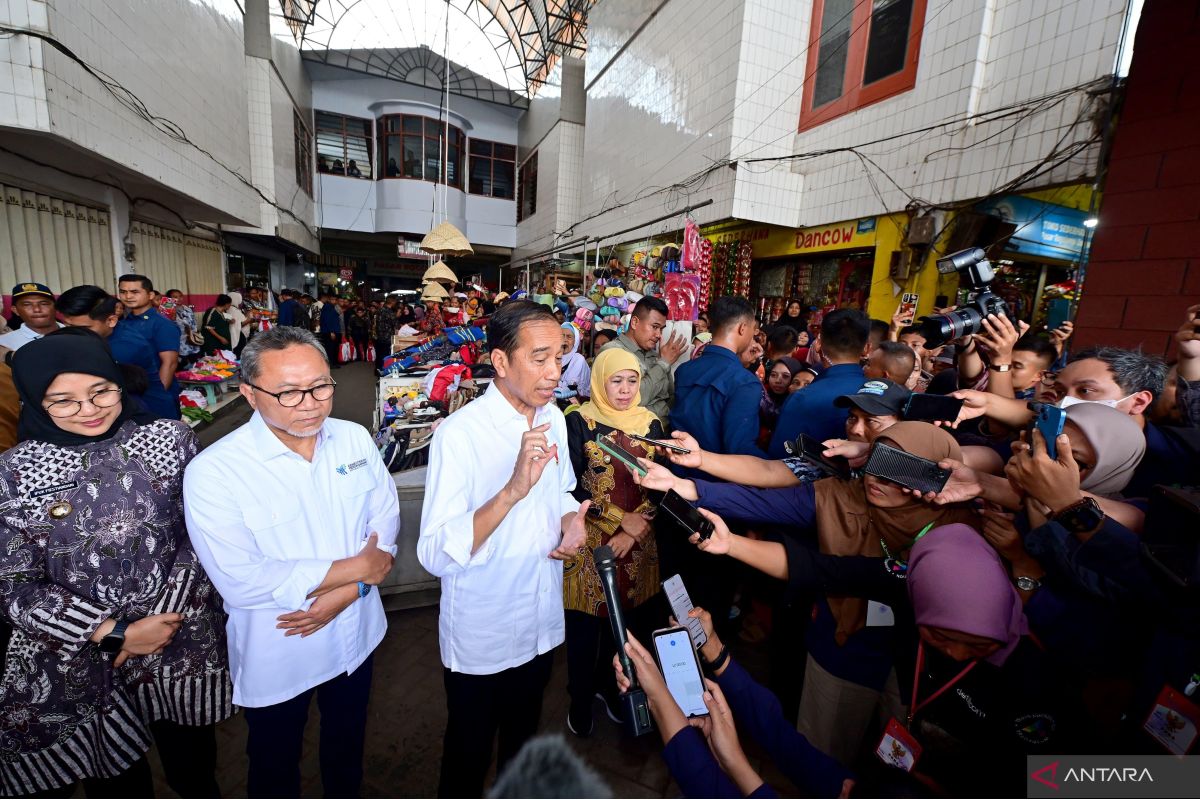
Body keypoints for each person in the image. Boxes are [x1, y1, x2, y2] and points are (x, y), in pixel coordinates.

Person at [0, 331, 232, 797]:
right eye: (62, 401)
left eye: (100, 391)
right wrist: (113, 633)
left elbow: (208, 536)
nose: (89, 410)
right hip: (79, 655)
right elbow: (14, 584)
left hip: (179, 636)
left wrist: (158, 624)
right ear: (33, 401)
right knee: (116, 778)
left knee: (193, 765)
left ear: (118, 384)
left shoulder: (170, 440)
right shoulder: (14, 474)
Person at [183, 326, 398, 798]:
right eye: (288, 392)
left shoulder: (354, 439)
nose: (310, 403)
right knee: (274, 759)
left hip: (355, 627)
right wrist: (361, 571)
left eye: (321, 386)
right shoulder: (216, 471)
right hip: (282, 640)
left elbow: (385, 519)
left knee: (347, 744)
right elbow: (241, 581)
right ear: (249, 394)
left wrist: (352, 591)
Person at [419, 300, 589, 798]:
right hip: (484, 625)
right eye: (539, 358)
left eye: (558, 357)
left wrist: (570, 522)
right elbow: (434, 552)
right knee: (469, 751)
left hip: (538, 614)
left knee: (522, 740)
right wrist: (512, 490)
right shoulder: (460, 435)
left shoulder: (554, 417)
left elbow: (562, 488)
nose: (553, 372)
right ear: (500, 361)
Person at [561, 347, 664, 736]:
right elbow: (567, 487)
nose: (624, 389)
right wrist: (621, 522)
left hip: (640, 545)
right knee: (586, 628)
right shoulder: (578, 421)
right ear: (600, 381)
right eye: (615, 381)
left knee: (628, 628)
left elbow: (662, 486)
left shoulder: (651, 423)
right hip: (589, 542)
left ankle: (616, 690)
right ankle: (580, 700)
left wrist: (638, 527)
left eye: (632, 380)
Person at [56, 285, 177, 419]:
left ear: (111, 320)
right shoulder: (95, 337)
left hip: (147, 415)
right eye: (67, 325)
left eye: (83, 328)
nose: (72, 332)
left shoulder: (126, 347)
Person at [769, 309, 870, 458]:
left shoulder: (803, 398)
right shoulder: (882, 395)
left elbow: (780, 458)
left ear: (818, 344)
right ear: (867, 348)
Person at [671, 296, 763, 457]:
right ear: (742, 328)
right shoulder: (745, 383)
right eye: (752, 330)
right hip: (713, 479)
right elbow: (740, 448)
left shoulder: (685, 369)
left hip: (675, 469)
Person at [600, 296, 685, 419]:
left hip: (662, 431)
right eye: (654, 327)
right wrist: (663, 364)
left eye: (661, 329)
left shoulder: (656, 356)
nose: (659, 335)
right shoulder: (612, 352)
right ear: (634, 322)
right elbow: (634, 398)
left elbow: (670, 396)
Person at [117, 274, 182, 419]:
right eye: (123, 292)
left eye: (135, 292)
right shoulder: (123, 323)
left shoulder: (162, 324)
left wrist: (159, 395)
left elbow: (170, 363)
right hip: (131, 395)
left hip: (155, 396)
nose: (128, 296)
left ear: (150, 295)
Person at [0, 282, 62, 351]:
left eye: (44, 304)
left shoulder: (74, 331)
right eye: (27, 304)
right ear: (16, 310)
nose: (37, 309)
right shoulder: (4, 343)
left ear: (56, 307)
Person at [760, 356, 802, 446]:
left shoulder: (798, 404)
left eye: (785, 376)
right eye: (773, 375)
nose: (778, 380)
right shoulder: (761, 395)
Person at [164, 289, 202, 365]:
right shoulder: (167, 309)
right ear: (169, 299)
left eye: (180, 296)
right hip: (179, 343)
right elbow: (167, 325)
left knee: (195, 365)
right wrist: (169, 306)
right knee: (182, 366)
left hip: (192, 341)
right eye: (175, 297)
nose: (179, 299)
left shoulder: (187, 309)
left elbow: (194, 323)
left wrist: (196, 335)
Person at [558, 321, 591, 399]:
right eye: (562, 336)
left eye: (569, 337)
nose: (564, 340)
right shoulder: (552, 356)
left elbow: (570, 384)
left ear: (575, 341)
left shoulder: (578, 360)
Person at [319, 291, 343, 368]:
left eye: (335, 299)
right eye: (332, 299)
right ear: (329, 299)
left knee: (334, 348)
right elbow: (327, 320)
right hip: (329, 332)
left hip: (334, 331)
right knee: (330, 348)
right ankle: (331, 364)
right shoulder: (327, 307)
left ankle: (334, 363)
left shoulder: (332, 307)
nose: (334, 301)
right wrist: (331, 332)